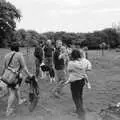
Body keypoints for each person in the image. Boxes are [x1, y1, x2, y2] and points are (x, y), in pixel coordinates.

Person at [1, 42, 32, 116]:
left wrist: (1, 76)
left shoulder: (6, 55)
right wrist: (29, 75)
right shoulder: (19, 55)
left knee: (17, 87)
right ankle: (8, 110)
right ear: (18, 48)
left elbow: (4, 67)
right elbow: (24, 67)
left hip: (7, 76)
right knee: (12, 92)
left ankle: (20, 100)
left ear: (11, 48)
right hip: (14, 77)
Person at [67, 49, 92, 116]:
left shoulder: (71, 63)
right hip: (82, 81)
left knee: (75, 97)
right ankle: (80, 109)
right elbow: (89, 68)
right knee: (79, 96)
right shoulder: (84, 61)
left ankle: (81, 113)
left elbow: (69, 70)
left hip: (75, 82)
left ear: (72, 55)